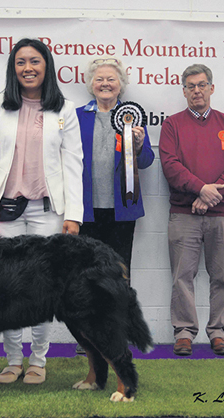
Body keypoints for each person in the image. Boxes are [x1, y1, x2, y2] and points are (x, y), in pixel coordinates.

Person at [0, 38, 83, 385]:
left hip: (48, 212)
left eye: (35, 61)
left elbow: (73, 165)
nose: (28, 68)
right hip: (4, 211)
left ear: (46, 67)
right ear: (13, 68)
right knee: (4, 289)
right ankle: (12, 362)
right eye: (21, 62)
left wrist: (74, 215)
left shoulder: (64, 109)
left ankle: (38, 361)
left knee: (42, 290)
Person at [159, 64, 224, 356]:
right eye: (191, 86)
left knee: (221, 277)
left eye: (202, 84)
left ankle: (218, 332)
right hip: (184, 215)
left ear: (212, 88)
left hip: (223, 216)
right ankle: (184, 332)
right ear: (183, 91)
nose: (197, 90)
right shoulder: (172, 125)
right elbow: (170, 166)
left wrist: (210, 195)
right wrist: (200, 189)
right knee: (181, 276)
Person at [75, 57, 154, 354]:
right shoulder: (77, 116)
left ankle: (116, 336)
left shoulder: (131, 116)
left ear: (121, 84)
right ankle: (88, 339)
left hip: (122, 211)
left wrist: (140, 143)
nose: (105, 84)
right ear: (91, 84)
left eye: (111, 79)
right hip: (87, 211)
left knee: (120, 275)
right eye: (100, 79)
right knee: (86, 276)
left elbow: (145, 162)